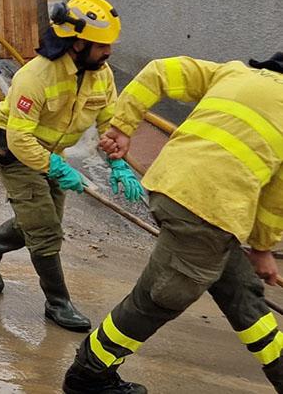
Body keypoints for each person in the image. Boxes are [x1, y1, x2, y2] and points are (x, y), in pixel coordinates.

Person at [62, 52, 283, 394]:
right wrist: (263, 248)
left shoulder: (232, 72)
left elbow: (158, 71)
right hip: (208, 208)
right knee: (158, 298)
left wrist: (122, 126)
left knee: (241, 291)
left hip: (172, 186)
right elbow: (276, 198)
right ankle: (88, 375)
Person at [0, 0, 143, 333]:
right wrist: (57, 168)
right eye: (101, 45)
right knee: (46, 231)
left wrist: (118, 163)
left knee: (41, 223)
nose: (109, 52)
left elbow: (109, 123)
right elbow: (21, 139)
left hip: (52, 152)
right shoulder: (36, 76)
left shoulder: (101, 74)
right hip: (14, 151)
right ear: (75, 42)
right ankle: (57, 302)